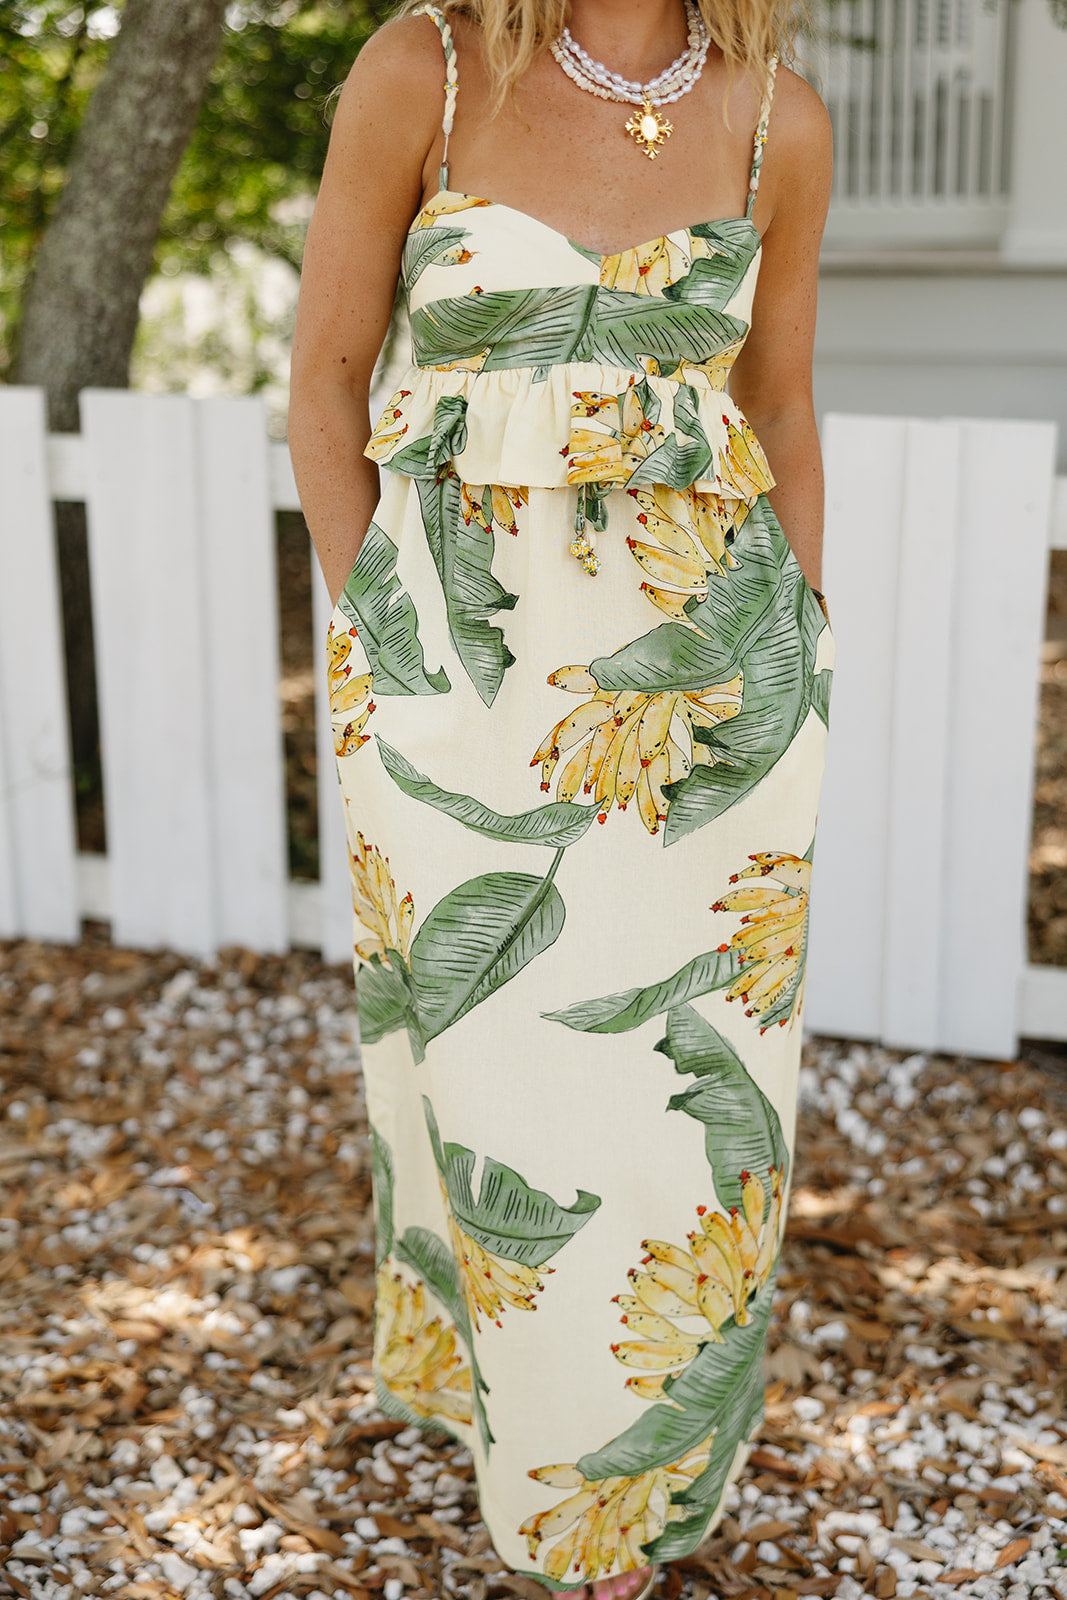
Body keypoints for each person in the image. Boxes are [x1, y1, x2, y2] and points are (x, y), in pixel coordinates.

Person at [287, 1, 835, 1594]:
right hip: (458, 695)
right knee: (491, 1077)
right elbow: (326, 377)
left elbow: (779, 403)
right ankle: (510, 1423)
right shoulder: (428, 69)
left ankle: (616, 1506)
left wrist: (803, 639)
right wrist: (386, 636)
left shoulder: (779, 119)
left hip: (714, 704)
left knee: (682, 1117)